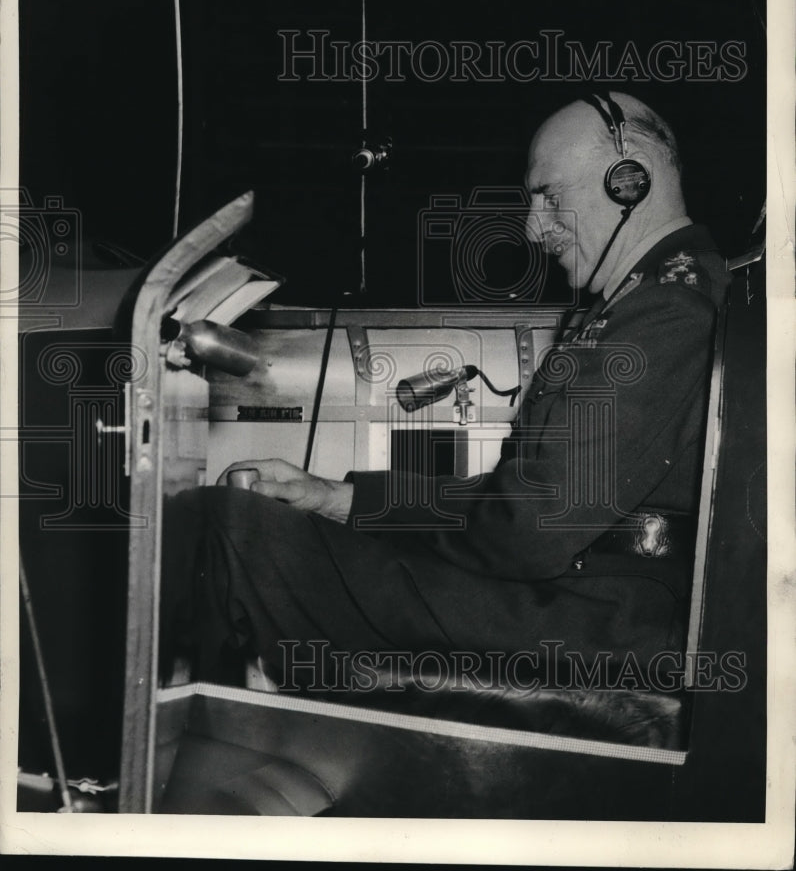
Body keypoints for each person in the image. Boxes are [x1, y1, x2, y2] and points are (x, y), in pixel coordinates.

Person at [160, 92, 730, 693]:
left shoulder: (667, 311)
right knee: (250, 530)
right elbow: (524, 504)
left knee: (229, 529)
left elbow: (528, 529)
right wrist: (336, 499)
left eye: (549, 196)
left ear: (629, 177)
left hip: (587, 623)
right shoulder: (648, 300)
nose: (534, 229)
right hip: (572, 600)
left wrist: (395, 535)